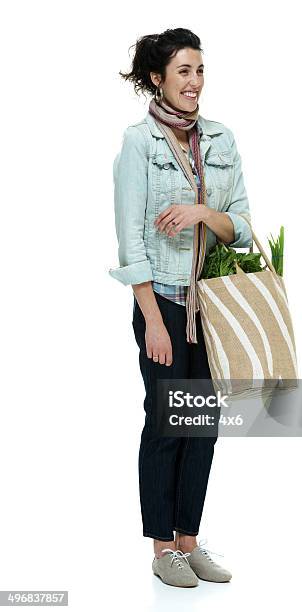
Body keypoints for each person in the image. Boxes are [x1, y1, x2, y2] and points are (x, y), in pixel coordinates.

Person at [109, 27, 252, 587]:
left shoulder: (221, 138)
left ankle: (191, 543)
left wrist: (201, 215)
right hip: (164, 304)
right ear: (157, 78)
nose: (195, 83)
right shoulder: (138, 144)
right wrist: (150, 318)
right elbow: (130, 241)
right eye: (183, 72)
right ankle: (161, 548)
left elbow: (240, 225)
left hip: (213, 308)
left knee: (204, 425)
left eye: (199, 71)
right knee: (168, 424)